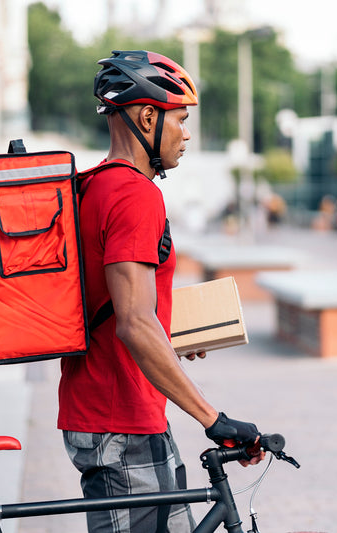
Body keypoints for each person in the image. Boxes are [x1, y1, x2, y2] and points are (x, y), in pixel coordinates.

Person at [57, 50, 265, 533]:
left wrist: (168, 343)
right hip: (120, 417)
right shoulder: (134, 194)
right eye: (181, 119)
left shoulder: (95, 187)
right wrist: (212, 418)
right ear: (148, 116)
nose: (186, 133)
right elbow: (132, 322)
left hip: (121, 411)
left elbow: (119, 309)